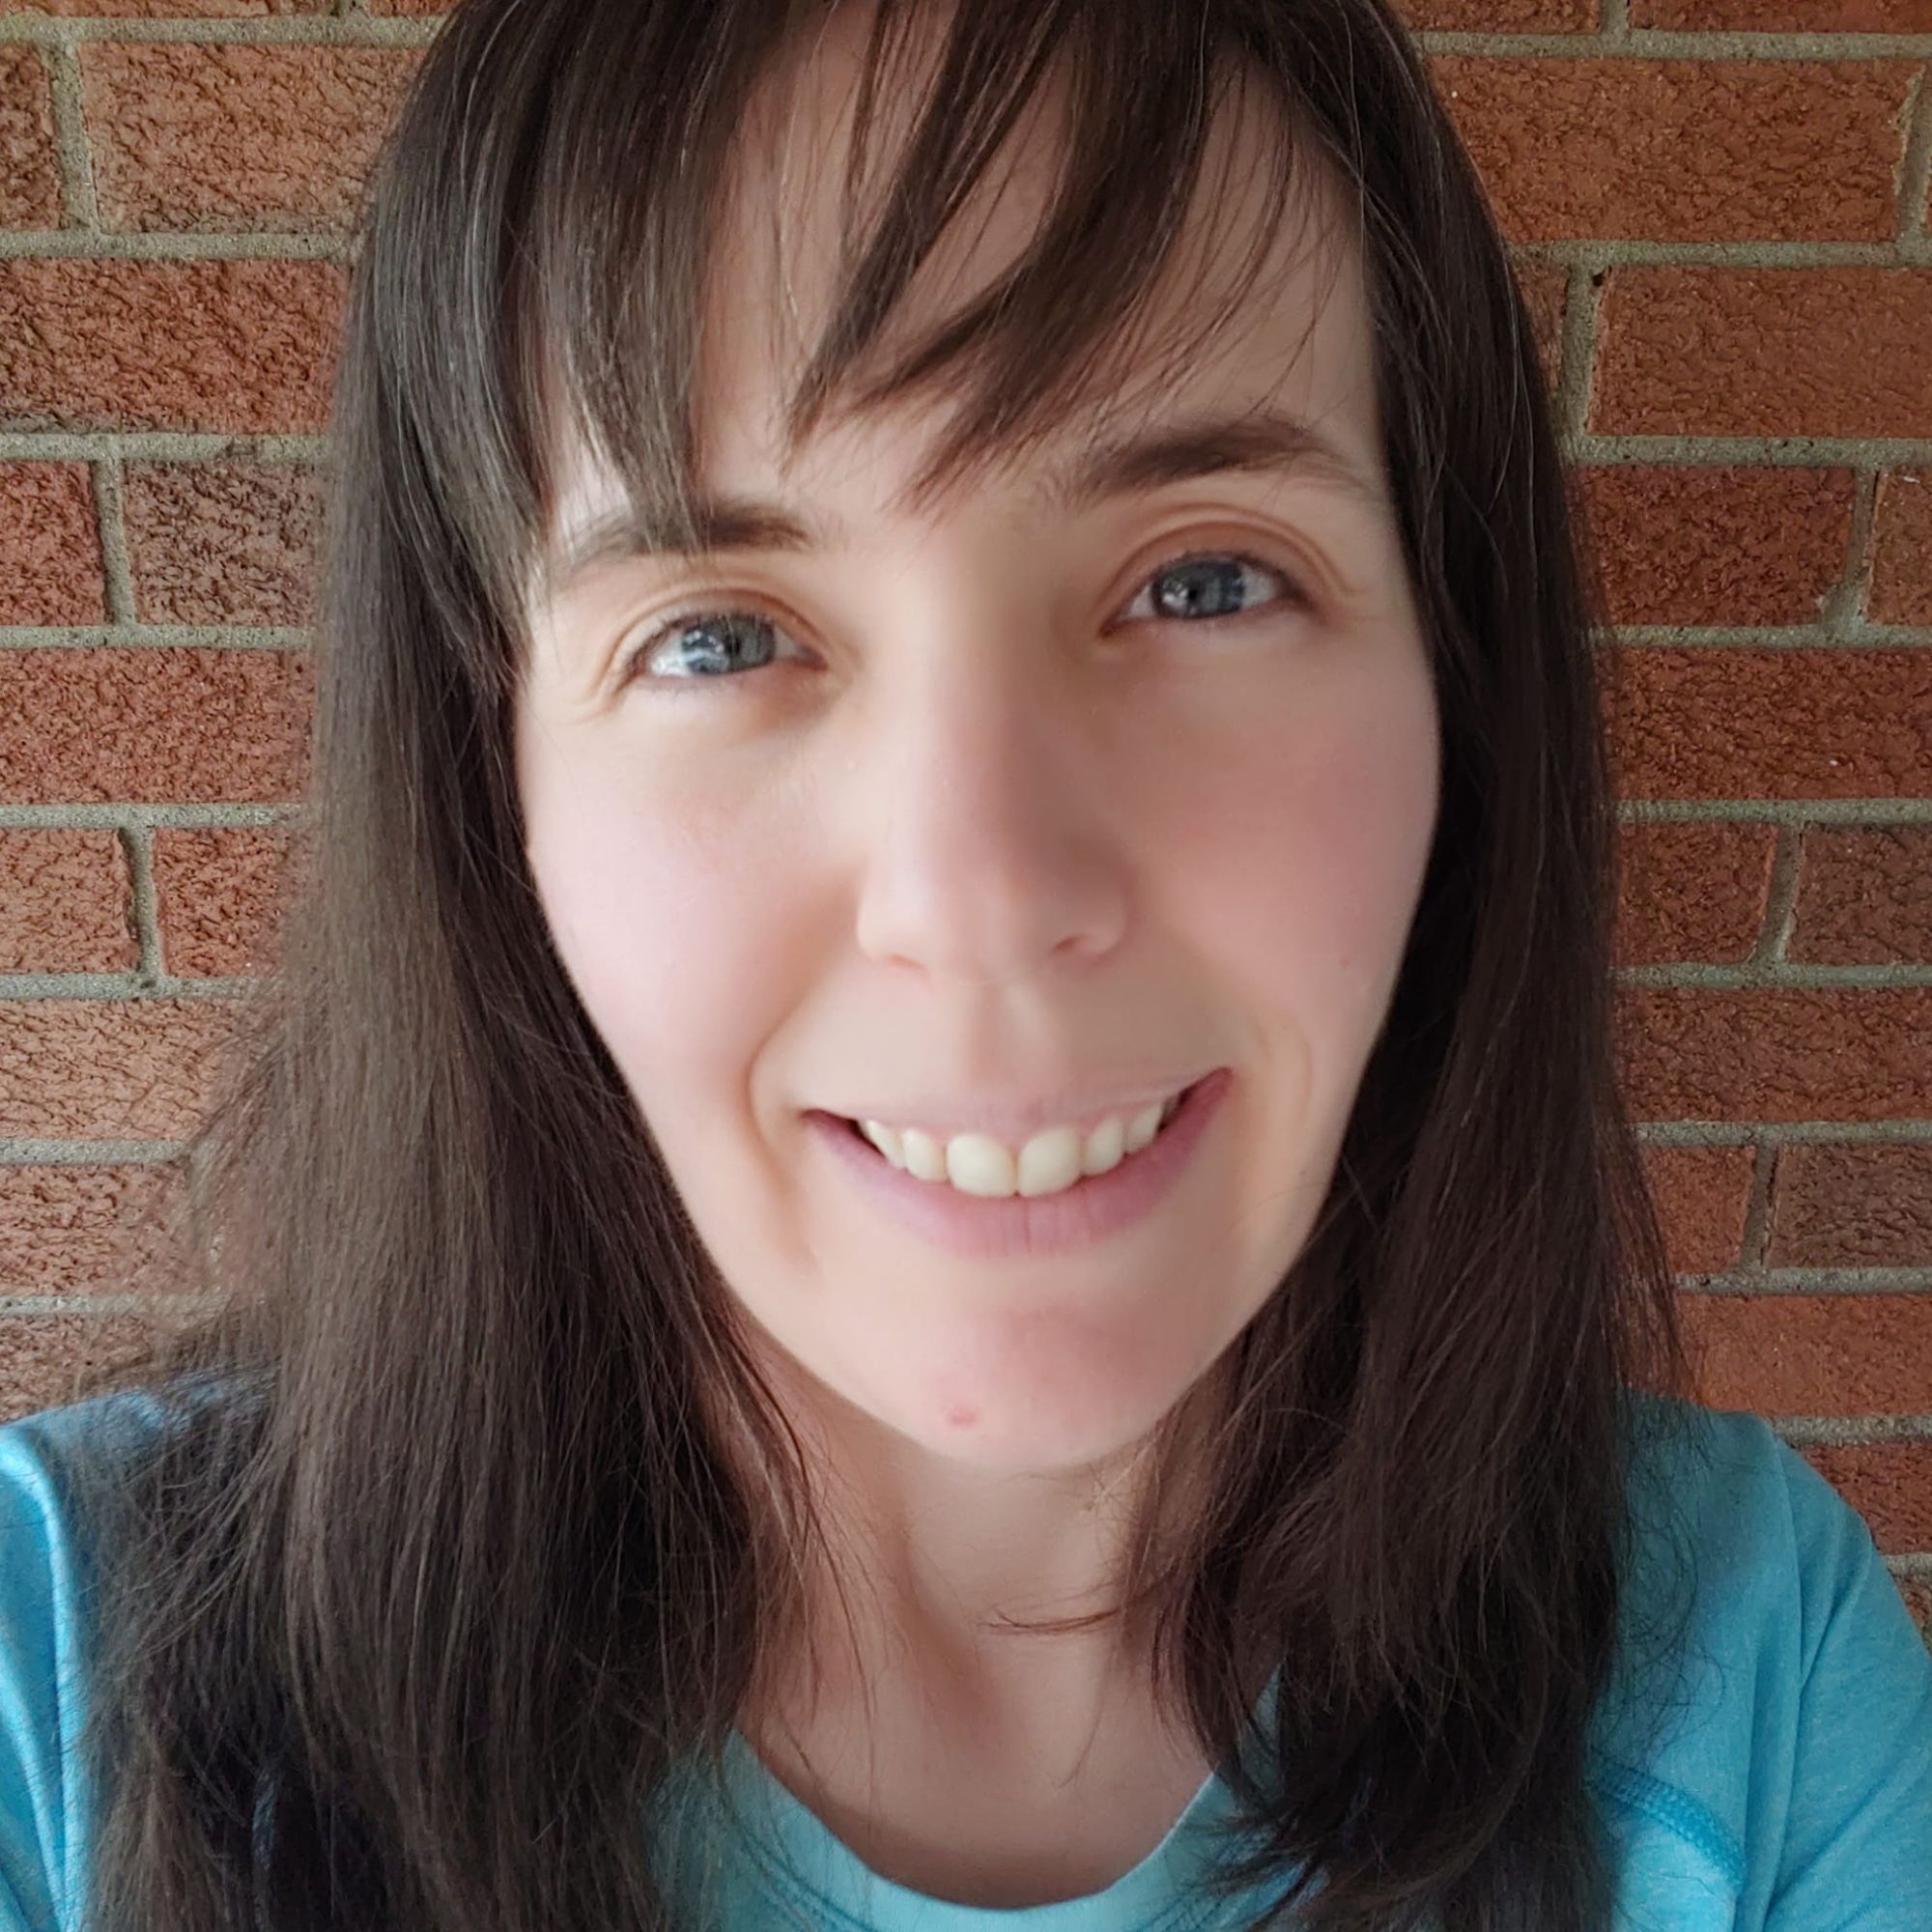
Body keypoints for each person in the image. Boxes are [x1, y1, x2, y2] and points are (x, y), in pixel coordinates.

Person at [3, 0, 1928, 1926]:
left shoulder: (1753, 1671)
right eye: (718, 635)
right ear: (493, 790)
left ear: (1456, 691)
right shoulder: (63, 1702)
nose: (981, 889)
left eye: (1202, 579)